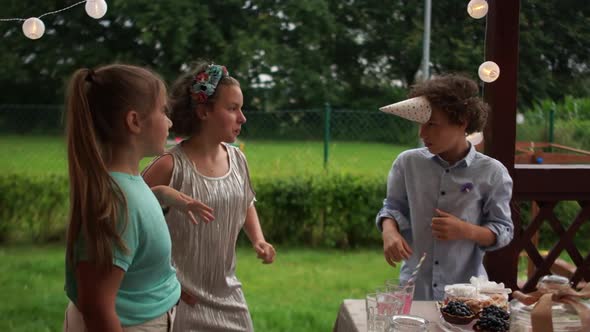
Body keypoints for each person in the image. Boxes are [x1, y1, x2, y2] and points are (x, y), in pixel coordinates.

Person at [63, 64, 214, 332]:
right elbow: (97, 306)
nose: (169, 121)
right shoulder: (117, 202)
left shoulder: (127, 184)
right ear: (134, 121)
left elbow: (137, 225)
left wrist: (164, 195)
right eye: (163, 111)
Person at [142, 62, 276, 331]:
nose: (242, 118)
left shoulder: (238, 159)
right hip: (180, 302)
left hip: (229, 295)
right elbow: (130, 223)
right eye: (232, 108)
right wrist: (163, 284)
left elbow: (245, 200)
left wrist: (259, 240)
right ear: (203, 111)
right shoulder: (170, 165)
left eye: (241, 108)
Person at [375, 74, 514, 301]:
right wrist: (389, 231)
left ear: (462, 122)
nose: (422, 133)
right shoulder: (407, 163)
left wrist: (465, 230)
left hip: (466, 295)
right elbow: (391, 207)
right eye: (421, 124)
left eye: (432, 124)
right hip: (413, 291)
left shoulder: (492, 172)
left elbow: (504, 230)